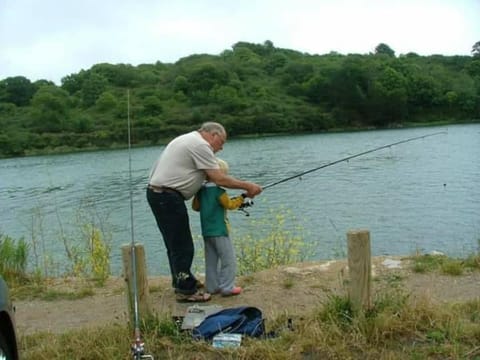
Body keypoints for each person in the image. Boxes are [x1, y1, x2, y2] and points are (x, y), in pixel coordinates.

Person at [146, 122, 262, 302]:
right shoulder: (200, 145)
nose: (221, 147)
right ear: (213, 135)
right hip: (167, 196)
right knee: (182, 245)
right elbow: (218, 178)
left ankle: (182, 282)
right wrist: (248, 186)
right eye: (221, 142)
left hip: (158, 193)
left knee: (174, 244)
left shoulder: (186, 139)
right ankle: (186, 291)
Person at [192, 158, 245, 296]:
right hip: (220, 230)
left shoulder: (200, 191)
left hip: (207, 231)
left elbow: (195, 207)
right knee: (229, 259)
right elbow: (230, 205)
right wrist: (242, 197)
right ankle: (227, 287)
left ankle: (212, 287)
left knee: (211, 260)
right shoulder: (220, 192)